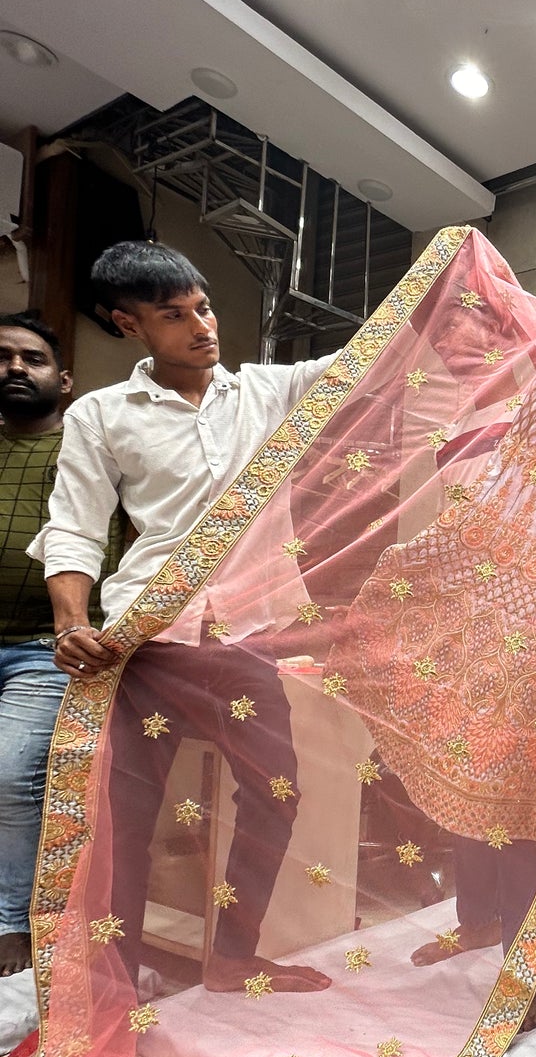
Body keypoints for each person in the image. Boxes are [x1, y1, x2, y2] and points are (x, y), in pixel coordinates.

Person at [32, 241, 336, 994]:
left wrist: (458, 273)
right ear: (128, 324)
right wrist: (71, 621)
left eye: (203, 305)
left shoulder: (270, 392)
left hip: (245, 634)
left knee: (276, 791)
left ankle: (234, 959)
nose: (203, 325)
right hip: (147, 641)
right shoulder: (102, 414)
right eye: (175, 315)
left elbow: (385, 355)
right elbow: (74, 526)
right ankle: (108, 982)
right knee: (126, 819)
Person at [0, 315, 107, 977]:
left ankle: (11, 921)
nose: (14, 367)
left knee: (11, 774)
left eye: (31, 358)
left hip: (47, 645)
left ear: (63, 379)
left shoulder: (88, 454)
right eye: (2, 356)